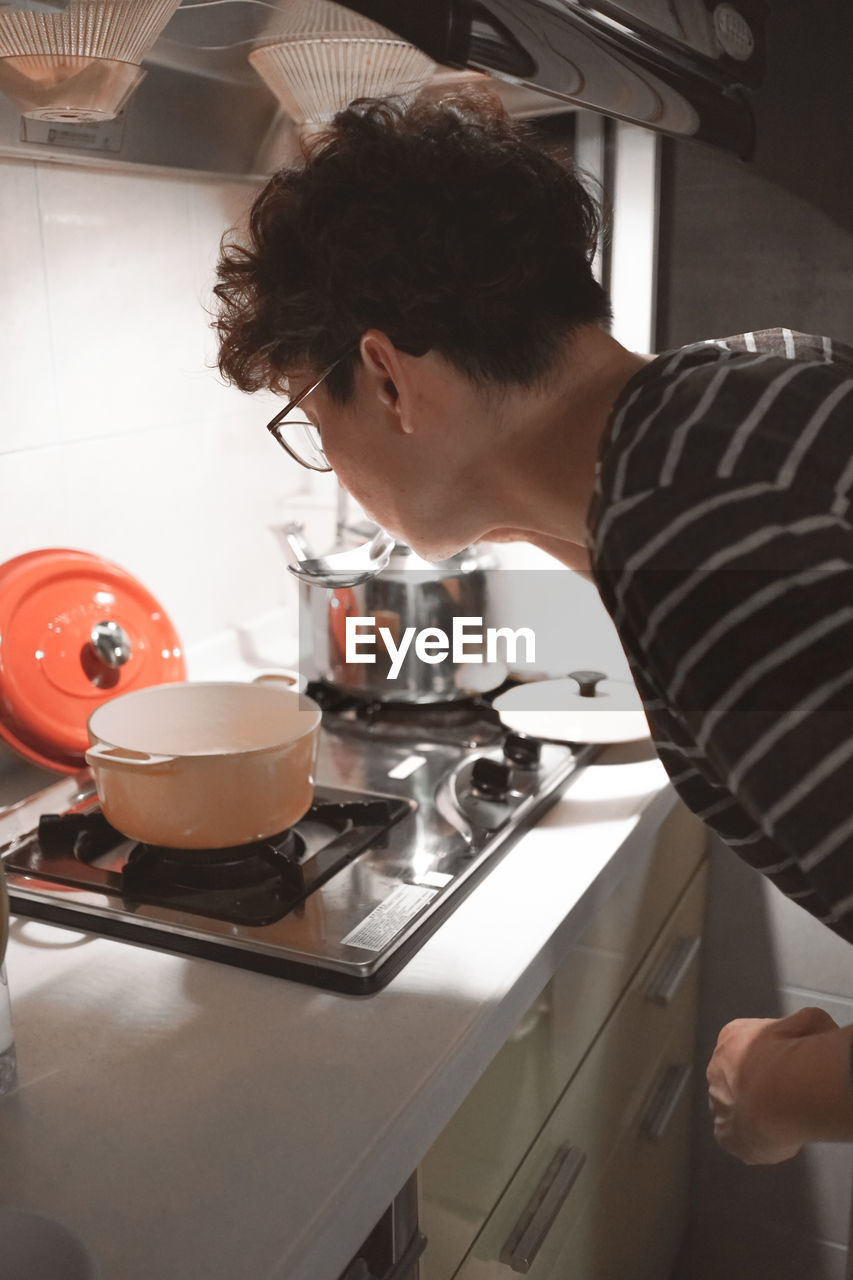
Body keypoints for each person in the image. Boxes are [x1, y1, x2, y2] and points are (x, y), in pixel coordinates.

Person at [213, 92, 853, 1168]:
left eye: (312, 420)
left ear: (387, 377)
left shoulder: (702, 545)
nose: (333, 466)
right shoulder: (741, 392)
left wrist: (777, 1087)